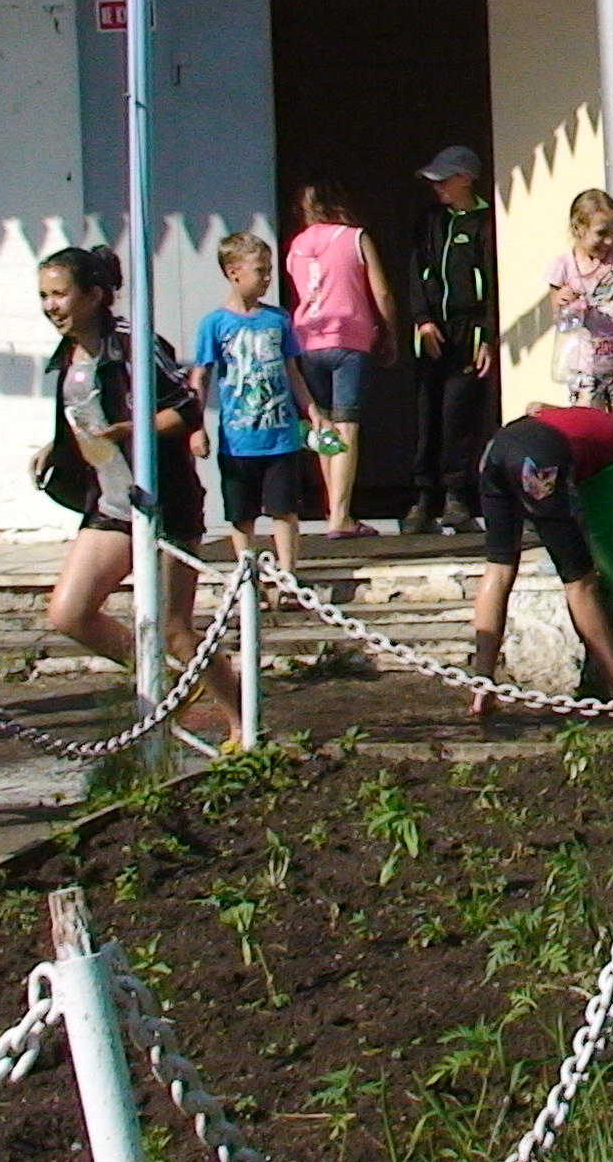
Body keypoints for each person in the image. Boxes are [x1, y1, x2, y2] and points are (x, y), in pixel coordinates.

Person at [32, 245, 242, 743]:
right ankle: (165, 680)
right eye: (44, 296)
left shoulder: (133, 346)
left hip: (162, 502)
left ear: (93, 296)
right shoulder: (68, 356)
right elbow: (86, 417)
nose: (51, 306)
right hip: (110, 505)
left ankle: (243, 721)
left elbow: (186, 409)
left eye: (60, 294)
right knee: (69, 613)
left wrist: (132, 429)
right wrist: (56, 448)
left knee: (174, 627)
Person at [470, 402, 613, 719]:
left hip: (498, 447)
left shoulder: (593, 418)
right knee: (580, 581)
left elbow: (536, 407)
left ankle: (482, 687)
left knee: (500, 566)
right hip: (539, 460)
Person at [190, 232, 315, 585]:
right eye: (260, 270)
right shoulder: (215, 324)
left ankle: (288, 575)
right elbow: (201, 376)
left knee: (284, 509)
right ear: (234, 272)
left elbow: (292, 371)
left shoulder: (278, 320)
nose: (267, 278)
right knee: (241, 513)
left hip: (281, 436)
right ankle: (248, 576)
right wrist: (196, 426)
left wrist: (312, 411)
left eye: (269, 270)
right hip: (238, 438)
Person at [285, 179, 397, 539]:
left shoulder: (296, 247)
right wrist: (390, 331)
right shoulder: (355, 237)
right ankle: (341, 514)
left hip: (308, 339)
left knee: (323, 424)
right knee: (347, 423)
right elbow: (381, 291)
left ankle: (332, 505)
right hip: (349, 338)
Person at [406, 145, 498, 536]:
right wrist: (422, 320)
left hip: (468, 332)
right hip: (432, 333)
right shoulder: (431, 220)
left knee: (459, 415)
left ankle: (457, 497)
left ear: (466, 179)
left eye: (444, 180)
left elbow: (493, 281)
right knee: (427, 415)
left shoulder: (486, 222)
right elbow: (416, 271)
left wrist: (488, 336)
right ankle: (423, 498)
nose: (438, 187)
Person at [546, 189, 613, 417]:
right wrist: (565, 304)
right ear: (578, 228)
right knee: (590, 423)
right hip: (586, 365)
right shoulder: (564, 267)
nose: (609, 241)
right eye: (601, 233)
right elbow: (559, 320)